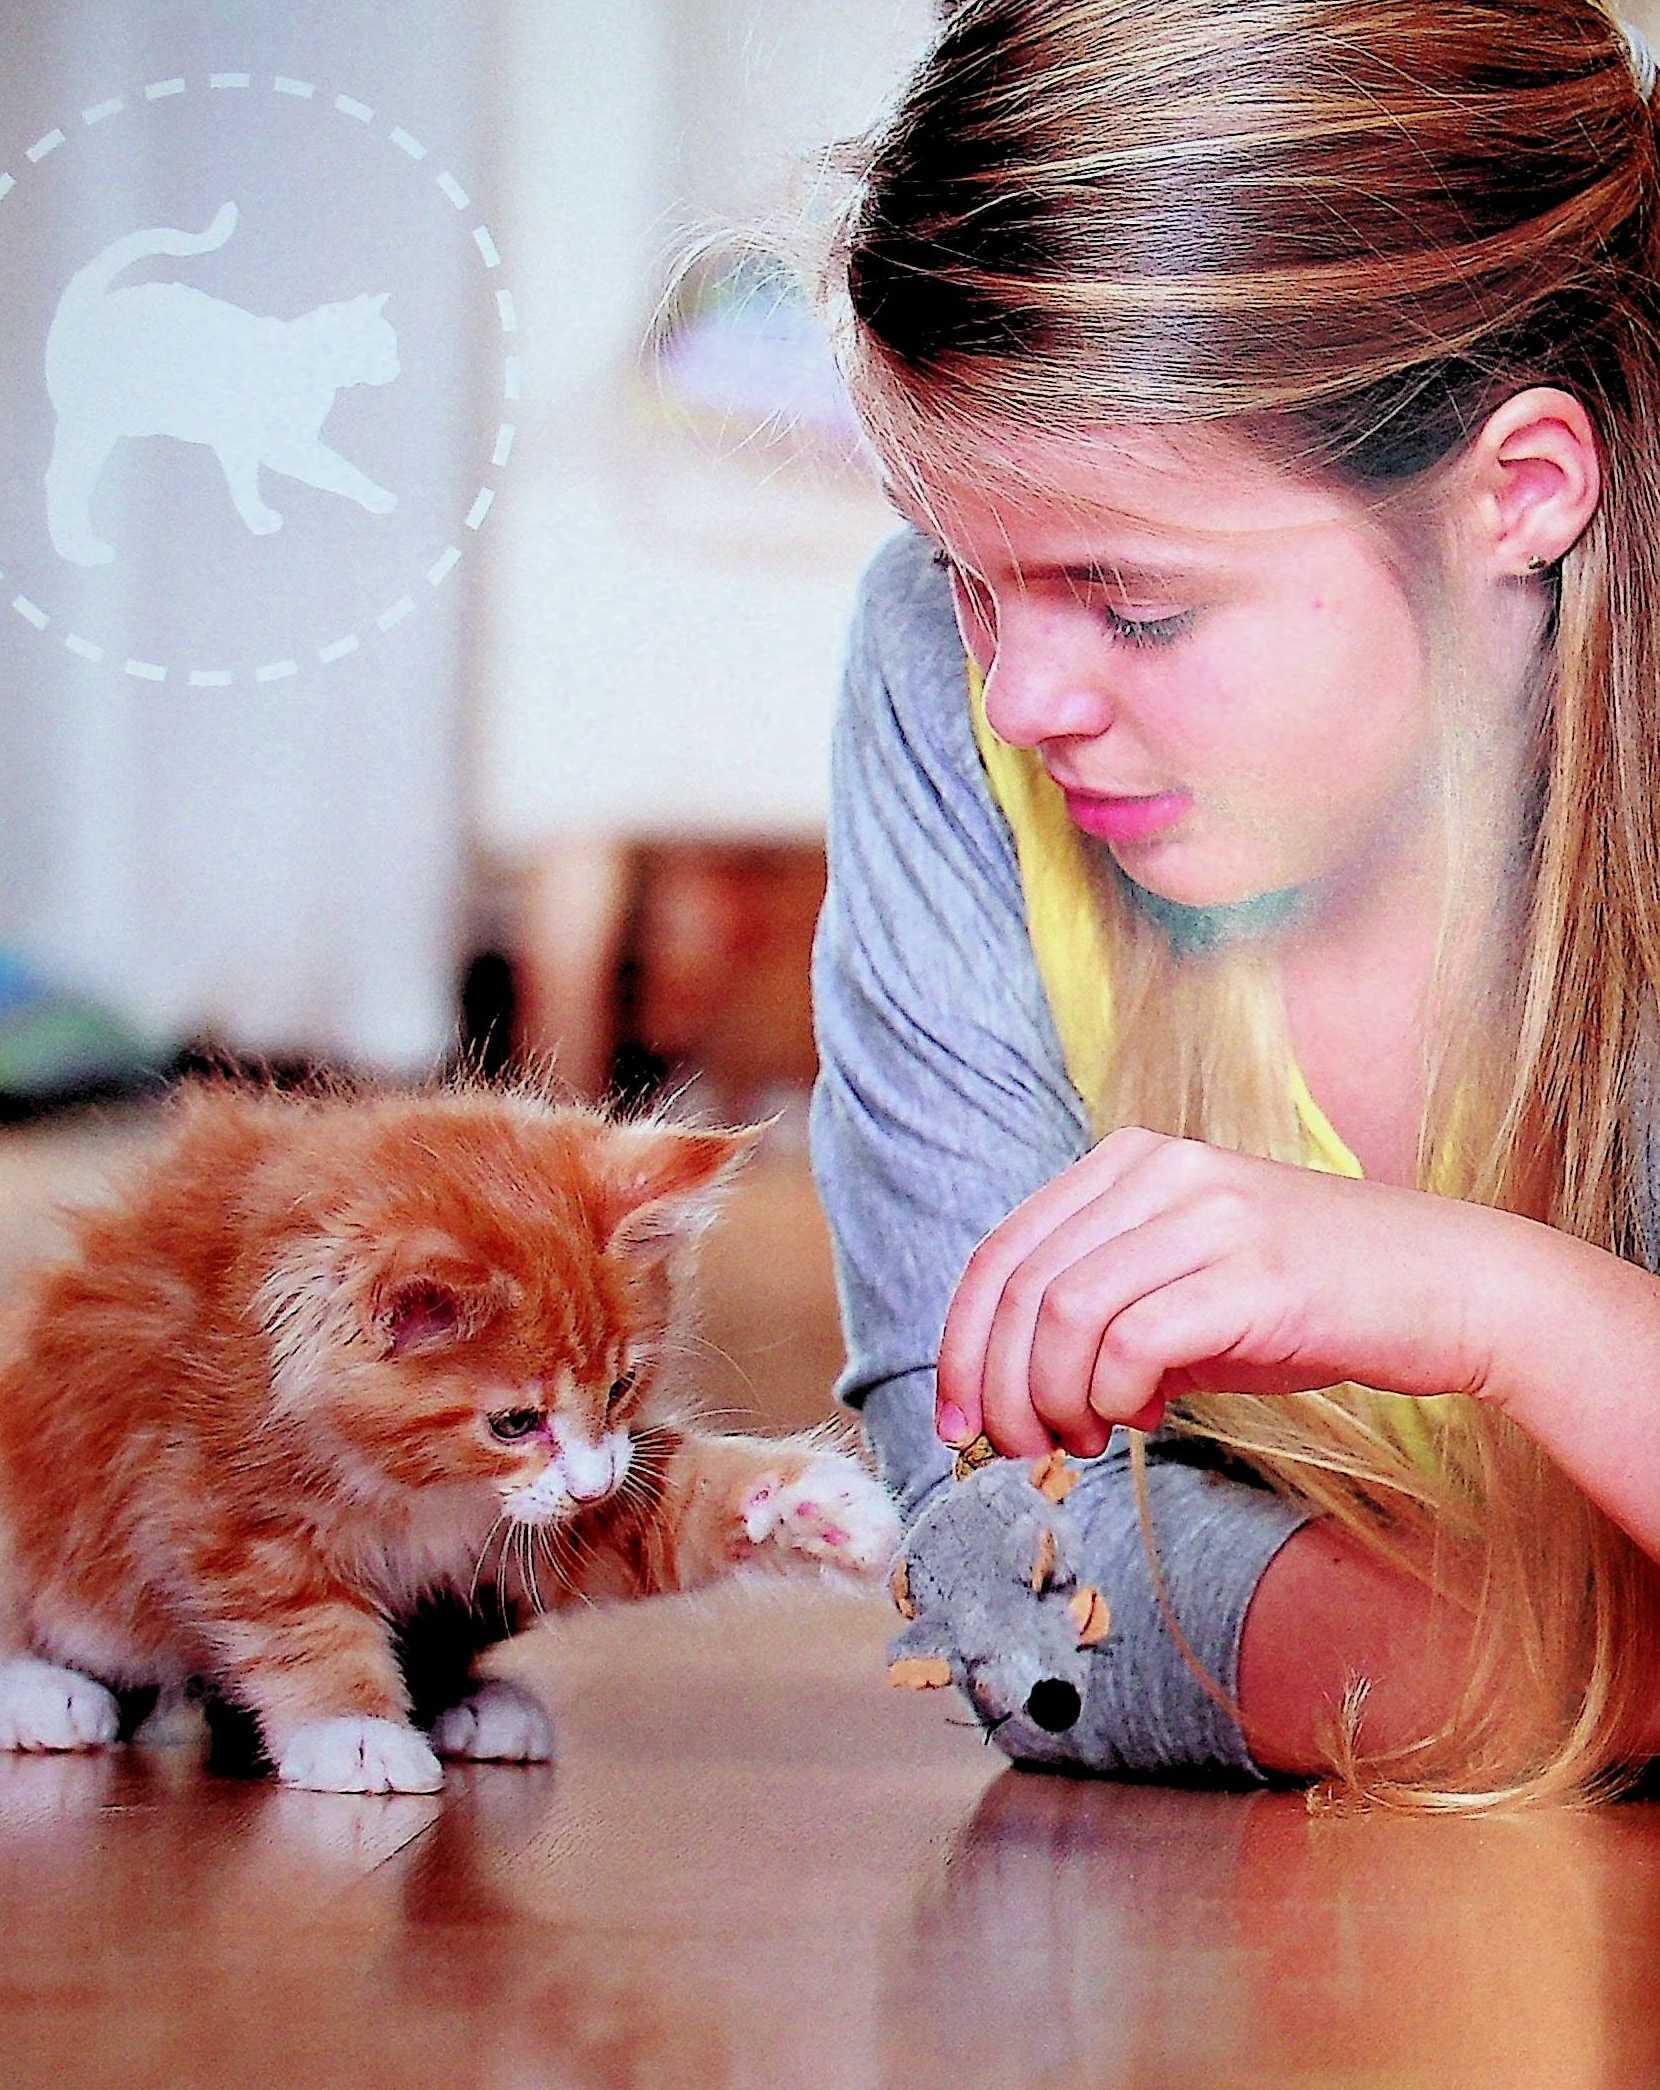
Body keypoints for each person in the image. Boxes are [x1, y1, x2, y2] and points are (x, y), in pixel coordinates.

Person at [805, 0, 1660, 1812]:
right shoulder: (938, 678)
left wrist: (1498, 1303)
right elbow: (999, 1563)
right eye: (969, 569)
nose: (1020, 696)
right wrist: (1601, 1680)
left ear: (1518, 495)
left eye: (1143, 607)